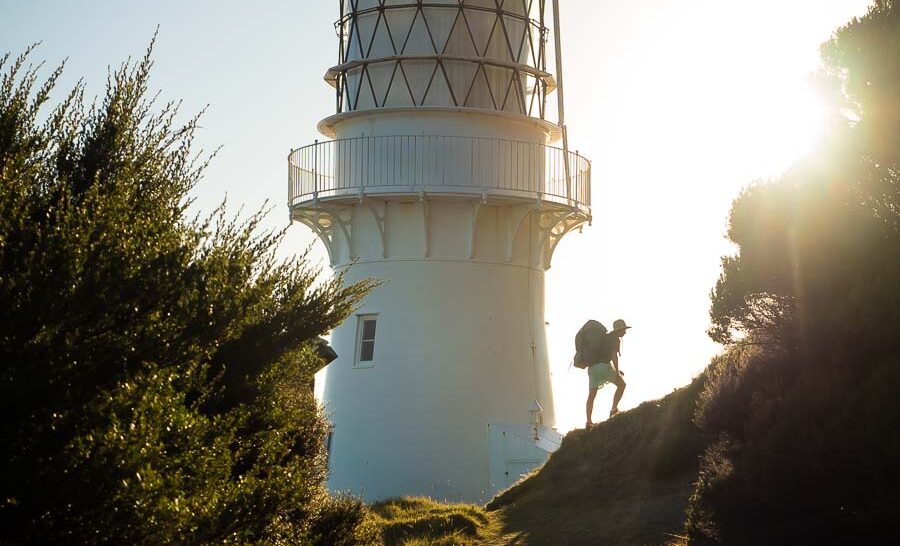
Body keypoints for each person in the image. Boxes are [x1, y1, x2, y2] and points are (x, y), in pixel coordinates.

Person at [585, 319, 630, 427]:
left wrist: (617, 370)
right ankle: (614, 409)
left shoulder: (604, 338)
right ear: (619, 330)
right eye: (623, 330)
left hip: (592, 368)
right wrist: (617, 371)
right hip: (603, 366)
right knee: (622, 385)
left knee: (592, 395)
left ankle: (588, 421)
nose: (625, 332)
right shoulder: (615, 339)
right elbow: (614, 355)